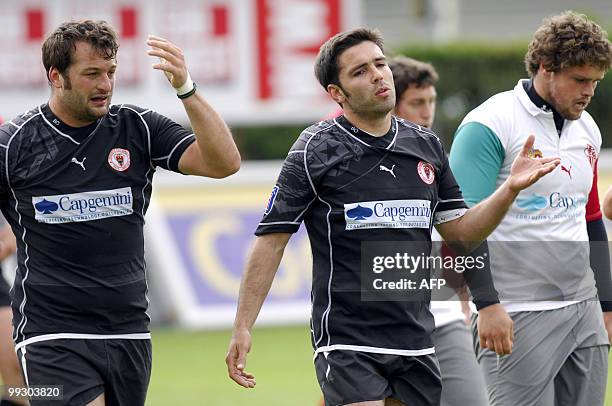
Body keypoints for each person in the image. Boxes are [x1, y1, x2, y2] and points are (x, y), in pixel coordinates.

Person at [226, 27, 559, 406]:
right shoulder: (315, 150)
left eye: (379, 64)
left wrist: (509, 189)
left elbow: (463, 233)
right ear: (337, 93)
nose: (378, 75)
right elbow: (271, 241)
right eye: (360, 71)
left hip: (416, 339)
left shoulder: (426, 145)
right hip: (347, 340)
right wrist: (243, 326)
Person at [1, 20, 240, 406]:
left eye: (111, 72)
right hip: (51, 329)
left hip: (128, 329)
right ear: (56, 76)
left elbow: (224, 163)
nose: (105, 85)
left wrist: (186, 88)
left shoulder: (137, 128)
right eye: (91, 74)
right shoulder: (14, 143)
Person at [449, 11, 612, 406]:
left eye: (595, 81)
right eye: (579, 80)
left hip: (583, 312)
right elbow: (460, 229)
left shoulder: (587, 128)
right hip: (517, 313)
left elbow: (590, 220)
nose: (588, 91)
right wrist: (486, 304)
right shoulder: (488, 124)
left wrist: (606, 305)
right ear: (545, 67)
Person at [388, 55, 489, 406]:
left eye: (431, 101)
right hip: (379, 320)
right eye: (417, 102)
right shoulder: (360, 164)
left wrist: (464, 298)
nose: (428, 112)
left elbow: (454, 237)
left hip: (441, 315)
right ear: (390, 103)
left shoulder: (436, 159)